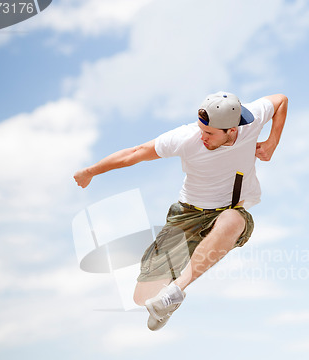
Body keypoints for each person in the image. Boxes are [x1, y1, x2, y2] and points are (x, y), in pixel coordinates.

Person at [74, 91, 288, 330]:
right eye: (201, 129)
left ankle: (175, 292)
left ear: (232, 130)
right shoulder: (186, 138)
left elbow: (280, 100)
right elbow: (135, 153)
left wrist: (272, 141)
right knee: (142, 297)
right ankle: (167, 295)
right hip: (187, 215)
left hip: (230, 210)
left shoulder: (253, 120)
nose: (202, 136)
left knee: (231, 219)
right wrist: (90, 171)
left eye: (209, 133)